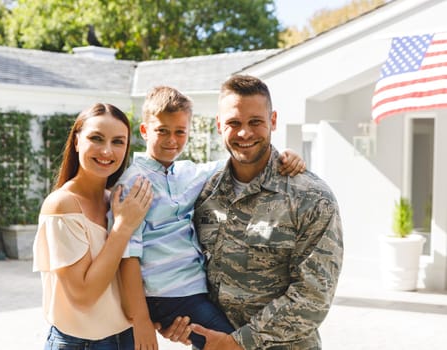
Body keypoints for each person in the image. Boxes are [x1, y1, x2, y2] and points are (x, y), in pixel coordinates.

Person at [113, 86, 306, 350]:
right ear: (145, 131)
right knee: (228, 345)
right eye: (162, 131)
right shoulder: (133, 183)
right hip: (167, 294)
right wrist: (141, 319)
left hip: (194, 290)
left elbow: (240, 161)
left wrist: (286, 156)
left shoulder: (188, 173)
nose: (172, 139)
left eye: (180, 131)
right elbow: (127, 256)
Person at [162, 75, 344, 349]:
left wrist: (237, 344)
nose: (244, 133)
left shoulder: (311, 198)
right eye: (234, 123)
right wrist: (173, 317)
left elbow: (313, 296)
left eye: (255, 122)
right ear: (219, 125)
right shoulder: (203, 192)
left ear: (272, 121)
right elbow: (180, 262)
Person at [32, 103, 153, 350]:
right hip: (79, 344)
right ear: (76, 141)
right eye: (96, 138)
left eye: (118, 142)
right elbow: (84, 296)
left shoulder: (117, 201)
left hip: (126, 338)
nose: (107, 151)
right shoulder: (62, 205)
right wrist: (122, 228)